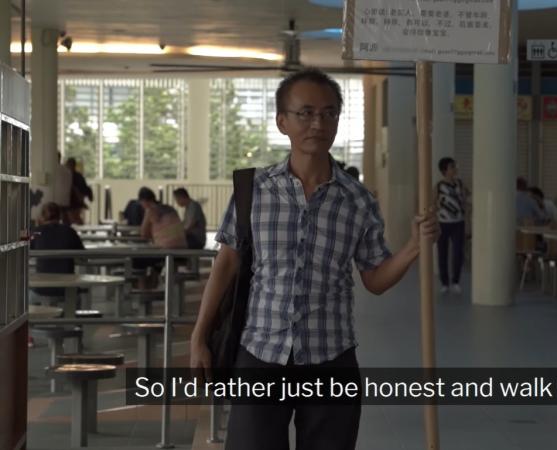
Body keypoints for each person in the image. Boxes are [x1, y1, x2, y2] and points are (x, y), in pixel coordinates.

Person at [189, 69, 439, 450]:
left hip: (331, 357)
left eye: (328, 113)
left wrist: (412, 248)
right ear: (282, 122)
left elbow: (374, 278)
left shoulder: (358, 200)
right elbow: (225, 265)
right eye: (305, 113)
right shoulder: (252, 191)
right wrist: (199, 336)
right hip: (261, 355)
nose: (317, 123)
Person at [30, 202, 85, 299]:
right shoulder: (70, 231)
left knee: (27, 293)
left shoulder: (35, 232)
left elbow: (20, 247)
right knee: (77, 295)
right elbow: (83, 257)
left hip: (41, 288)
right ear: (60, 216)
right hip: (67, 287)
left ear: (42, 217)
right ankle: (71, 313)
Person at [136, 187, 187, 288]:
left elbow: (143, 234)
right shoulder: (170, 208)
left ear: (144, 201)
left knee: (137, 262)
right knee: (154, 262)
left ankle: (143, 292)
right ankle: (152, 285)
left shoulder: (150, 210)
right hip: (183, 250)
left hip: (167, 251)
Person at [436, 157, 468, 295]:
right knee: (442, 253)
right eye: (452, 167)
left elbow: (466, 199)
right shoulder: (439, 186)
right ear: (445, 170)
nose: (455, 169)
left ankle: (455, 281)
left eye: (455, 166)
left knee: (458, 253)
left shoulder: (460, 184)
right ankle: (444, 282)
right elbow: (433, 202)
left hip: (458, 223)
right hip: (443, 223)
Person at [65, 157, 93, 225]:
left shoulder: (73, 176)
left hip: (74, 202)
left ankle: (82, 230)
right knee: (73, 218)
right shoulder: (77, 176)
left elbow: (83, 188)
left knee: (74, 218)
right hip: (72, 201)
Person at [53, 152, 73, 219]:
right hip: (65, 200)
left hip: (55, 200)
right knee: (64, 218)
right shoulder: (67, 170)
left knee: (56, 218)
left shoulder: (52, 169)